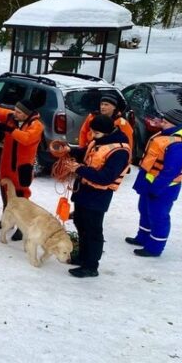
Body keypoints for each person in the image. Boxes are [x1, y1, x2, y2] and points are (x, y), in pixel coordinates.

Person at [61, 115, 131, 277]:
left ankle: (91, 266)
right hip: (84, 191)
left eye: (96, 133)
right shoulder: (100, 140)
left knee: (93, 230)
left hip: (98, 196)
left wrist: (78, 169)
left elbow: (105, 177)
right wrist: (70, 151)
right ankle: (82, 257)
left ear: (106, 132)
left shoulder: (119, 151)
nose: (92, 135)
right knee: (81, 224)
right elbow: (87, 152)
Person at [126, 109, 182, 257]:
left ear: (173, 124)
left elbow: (171, 171)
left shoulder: (178, 145)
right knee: (144, 210)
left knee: (158, 216)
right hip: (150, 181)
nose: (161, 122)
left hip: (164, 187)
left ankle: (154, 248)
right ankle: (142, 237)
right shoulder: (169, 133)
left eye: (164, 121)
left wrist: (156, 188)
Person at [0, 99, 44, 241]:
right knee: (5, 193)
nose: (15, 113)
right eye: (15, 110)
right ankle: (6, 220)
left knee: (21, 197)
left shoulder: (36, 125)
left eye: (19, 112)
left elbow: (26, 138)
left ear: (27, 114)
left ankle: (22, 227)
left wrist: (9, 129)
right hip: (6, 164)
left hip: (21, 168)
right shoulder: (12, 116)